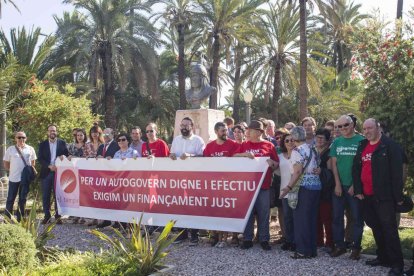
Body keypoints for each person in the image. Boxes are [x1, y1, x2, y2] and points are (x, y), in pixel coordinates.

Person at [353, 118, 405, 276]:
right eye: (364, 129)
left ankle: (397, 264)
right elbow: (356, 168)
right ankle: (383, 257)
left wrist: (398, 196)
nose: (367, 131)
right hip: (366, 196)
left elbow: (397, 174)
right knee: (375, 226)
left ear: (378, 128)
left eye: (370, 128)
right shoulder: (362, 145)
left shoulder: (390, 146)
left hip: (385, 197)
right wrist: (358, 189)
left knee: (389, 230)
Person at [234, 120, 279, 251]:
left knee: (264, 213)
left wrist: (272, 163)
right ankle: (248, 238)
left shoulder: (269, 145)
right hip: (247, 186)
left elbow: (276, 164)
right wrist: (244, 154)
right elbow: (233, 157)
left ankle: (264, 238)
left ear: (259, 132)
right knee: (248, 213)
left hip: (264, 185)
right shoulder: (244, 144)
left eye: (250, 130)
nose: (247, 132)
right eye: (248, 129)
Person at [280, 126, 321, 259]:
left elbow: (297, 171)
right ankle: (311, 250)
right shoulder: (312, 148)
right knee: (311, 219)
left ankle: (302, 250)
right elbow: (317, 166)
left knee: (301, 219)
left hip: (302, 187)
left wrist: (288, 187)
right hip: (315, 186)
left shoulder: (297, 151)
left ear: (294, 137)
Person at [330, 115, 364, 260]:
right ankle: (340, 246)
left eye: (345, 125)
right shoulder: (337, 142)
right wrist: (337, 184)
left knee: (357, 218)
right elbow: (334, 164)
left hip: (355, 187)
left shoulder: (362, 141)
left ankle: (356, 248)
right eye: (339, 126)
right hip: (340, 186)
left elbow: (365, 165)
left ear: (352, 124)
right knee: (337, 217)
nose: (342, 128)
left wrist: (355, 185)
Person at [203, 122, 240, 247]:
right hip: (214, 184)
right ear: (216, 132)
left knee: (228, 209)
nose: (226, 133)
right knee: (214, 209)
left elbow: (238, 160)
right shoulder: (209, 147)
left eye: (226, 130)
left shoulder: (233, 144)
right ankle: (214, 235)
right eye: (223, 131)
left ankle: (229, 237)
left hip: (229, 184)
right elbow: (205, 164)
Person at [169, 117, 205, 245]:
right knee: (179, 206)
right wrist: (171, 156)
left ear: (192, 126)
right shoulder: (176, 140)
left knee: (193, 206)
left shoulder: (198, 140)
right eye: (182, 125)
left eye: (187, 125)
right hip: (178, 179)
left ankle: (194, 234)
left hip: (193, 179)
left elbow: (203, 157)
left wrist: (191, 156)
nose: (184, 127)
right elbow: (172, 154)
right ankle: (182, 233)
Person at [38, 124, 69, 224]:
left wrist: (63, 156)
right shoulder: (42, 144)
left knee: (58, 195)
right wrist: (49, 165)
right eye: (51, 130)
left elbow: (67, 155)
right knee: (46, 196)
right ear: (48, 132)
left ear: (56, 132)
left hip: (58, 173)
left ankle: (58, 216)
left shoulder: (62, 143)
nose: (52, 132)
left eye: (54, 131)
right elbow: (40, 158)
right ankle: (47, 216)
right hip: (46, 173)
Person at [3, 131, 37, 221]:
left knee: (23, 199)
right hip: (13, 178)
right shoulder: (10, 149)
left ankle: (20, 219)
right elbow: (6, 163)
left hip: (25, 179)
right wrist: (12, 170)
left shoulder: (30, 149)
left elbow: (33, 164)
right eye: (19, 137)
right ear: (15, 139)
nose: (21, 139)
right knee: (10, 199)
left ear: (26, 138)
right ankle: (7, 219)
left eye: (23, 137)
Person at [96, 128, 120, 228]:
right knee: (105, 198)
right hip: (102, 176)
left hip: (114, 176)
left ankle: (118, 221)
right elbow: (97, 157)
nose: (105, 136)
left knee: (115, 198)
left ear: (112, 134)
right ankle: (106, 220)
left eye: (107, 134)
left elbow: (117, 159)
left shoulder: (117, 145)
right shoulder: (101, 146)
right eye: (104, 134)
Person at [315, 128, 334, 251]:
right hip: (314, 188)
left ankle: (330, 243)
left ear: (327, 140)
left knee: (327, 217)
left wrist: (322, 171)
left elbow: (331, 171)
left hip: (326, 189)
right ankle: (318, 241)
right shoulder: (313, 151)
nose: (319, 140)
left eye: (322, 138)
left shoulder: (330, 153)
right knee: (316, 217)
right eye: (317, 137)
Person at [278, 132, 296, 252]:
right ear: (283, 143)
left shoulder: (299, 154)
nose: (290, 142)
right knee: (287, 218)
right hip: (284, 191)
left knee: (297, 218)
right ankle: (288, 240)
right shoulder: (279, 157)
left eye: (292, 140)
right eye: (287, 141)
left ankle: (297, 241)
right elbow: (275, 169)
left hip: (297, 190)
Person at [67, 128, 88, 224]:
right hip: (73, 173)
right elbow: (66, 156)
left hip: (84, 174)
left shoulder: (87, 146)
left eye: (81, 135)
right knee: (75, 194)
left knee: (83, 195)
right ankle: (75, 215)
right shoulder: (71, 146)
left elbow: (88, 158)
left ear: (84, 136)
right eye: (78, 135)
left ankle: (83, 216)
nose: (79, 137)